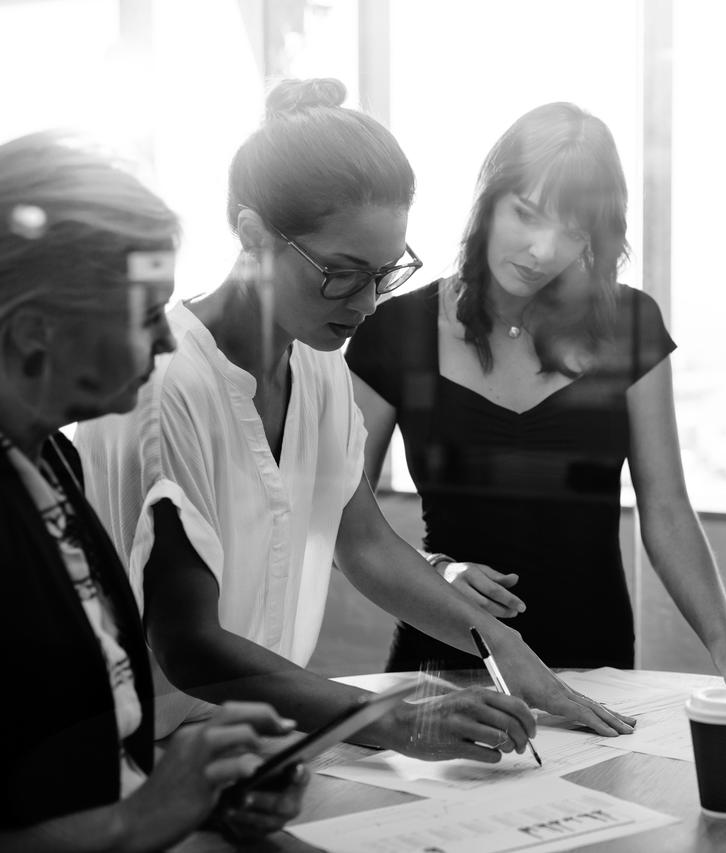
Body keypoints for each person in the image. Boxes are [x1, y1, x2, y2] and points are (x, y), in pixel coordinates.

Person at [76, 79, 630, 765]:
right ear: (253, 235)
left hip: (250, 744)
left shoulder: (315, 366)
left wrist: (505, 647)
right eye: (340, 273)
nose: (368, 303)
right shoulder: (169, 383)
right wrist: (390, 718)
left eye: (385, 271)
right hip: (135, 764)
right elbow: (184, 643)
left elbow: (363, 543)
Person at [345, 102, 726, 710]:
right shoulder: (396, 331)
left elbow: (667, 507)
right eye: (526, 214)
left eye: (571, 232)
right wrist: (438, 568)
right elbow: (340, 524)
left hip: (596, 669)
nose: (542, 251)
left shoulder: (630, 325)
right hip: (447, 668)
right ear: (490, 200)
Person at [0, 131, 305, 851]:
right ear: (36, 329)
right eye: (144, 318)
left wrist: (198, 795)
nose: (168, 344)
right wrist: (137, 821)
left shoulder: (50, 461)